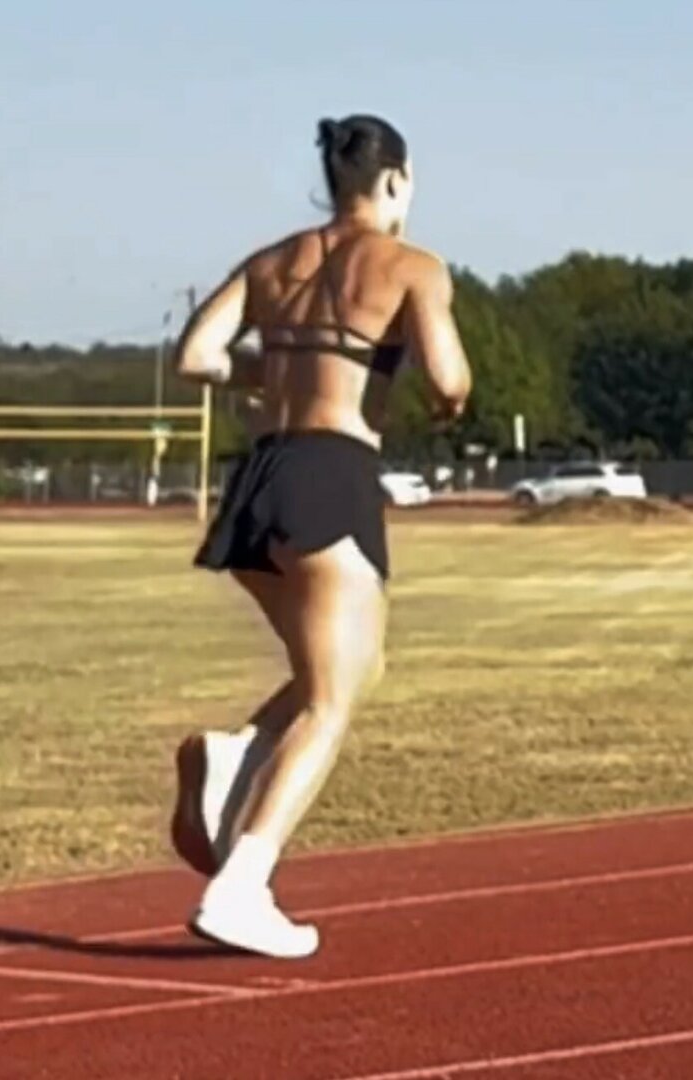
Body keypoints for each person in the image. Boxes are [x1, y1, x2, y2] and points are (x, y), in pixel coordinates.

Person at [169, 114, 471, 958]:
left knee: (351, 668)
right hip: (333, 475)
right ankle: (243, 884)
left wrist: (279, 369)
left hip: (260, 479)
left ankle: (235, 754)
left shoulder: (272, 261)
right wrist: (438, 398)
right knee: (332, 701)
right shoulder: (414, 266)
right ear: (395, 181)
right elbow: (449, 381)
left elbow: (195, 357)